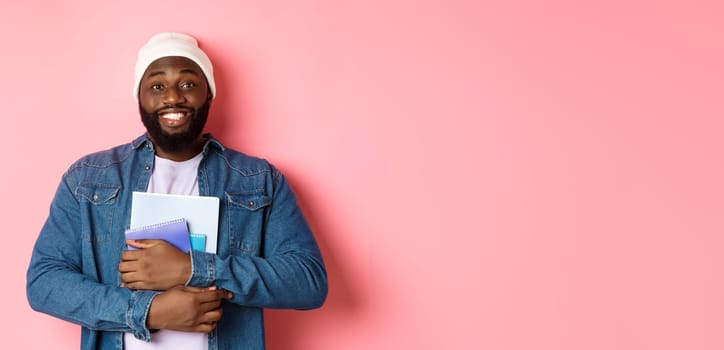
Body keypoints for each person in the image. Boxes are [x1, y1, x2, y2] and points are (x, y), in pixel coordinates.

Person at [26, 32, 328, 350]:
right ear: (140, 97)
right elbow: (44, 282)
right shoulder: (88, 179)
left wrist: (193, 268)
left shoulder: (258, 179)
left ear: (208, 94)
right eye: (157, 86)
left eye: (188, 84)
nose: (173, 97)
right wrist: (148, 312)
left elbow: (307, 281)